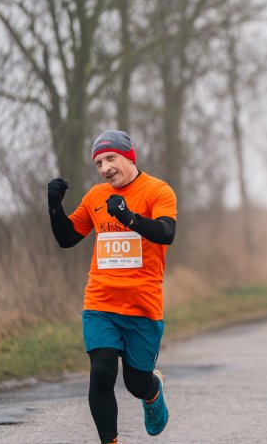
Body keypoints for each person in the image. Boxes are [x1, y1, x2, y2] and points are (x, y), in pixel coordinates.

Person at [47, 130, 177, 444]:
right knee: (102, 372)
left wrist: (129, 217)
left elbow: (166, 232)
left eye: (110, 158)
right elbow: (67, 238)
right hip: (100, 302)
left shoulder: (157, 190)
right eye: (99, 163)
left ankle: (152, 391)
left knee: (136, 383)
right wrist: (54, 207)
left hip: (143, 305)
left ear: (129, 157)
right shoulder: (96, 196)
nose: (105, 168)